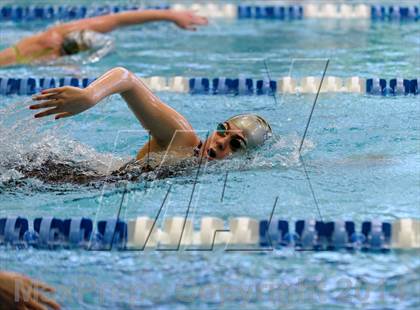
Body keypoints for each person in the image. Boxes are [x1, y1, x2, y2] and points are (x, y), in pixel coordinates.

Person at [30, 67, 272, 168]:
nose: (220, 141)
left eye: (235, 144)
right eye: (223, 130)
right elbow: (126, 78)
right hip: (61, 178)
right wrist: (90, 95)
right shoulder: (183, 139)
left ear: (246, 158)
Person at [0, 9, 208, 66]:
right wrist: (169, 15)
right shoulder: (54, 36)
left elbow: (118, 20)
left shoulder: (58, 53)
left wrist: (170, 16)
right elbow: (118, 18)